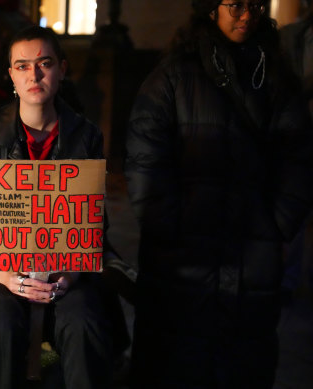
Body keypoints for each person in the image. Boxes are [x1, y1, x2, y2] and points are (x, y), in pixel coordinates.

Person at [124, 1, 313, 388]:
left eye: (256, 4)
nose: (248, 14)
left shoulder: (275, 77)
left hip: (253, 253)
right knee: (178, 361)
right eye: (237, 5)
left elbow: (299, 158)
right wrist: (170, 228)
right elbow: (145, 162)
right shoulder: (173, 77)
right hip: (183, 256)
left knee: (243, 361)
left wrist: (276, 226)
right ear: (211, 9)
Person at [0, 26, 124, 389]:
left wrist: (71, 274)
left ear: (61, 69)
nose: (34, 75)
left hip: (64, 268)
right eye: (23, 65)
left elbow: (92, 225)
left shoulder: (85, 135)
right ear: (11, 75)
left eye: (44, 63)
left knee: (84, 321)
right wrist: (1, 273)